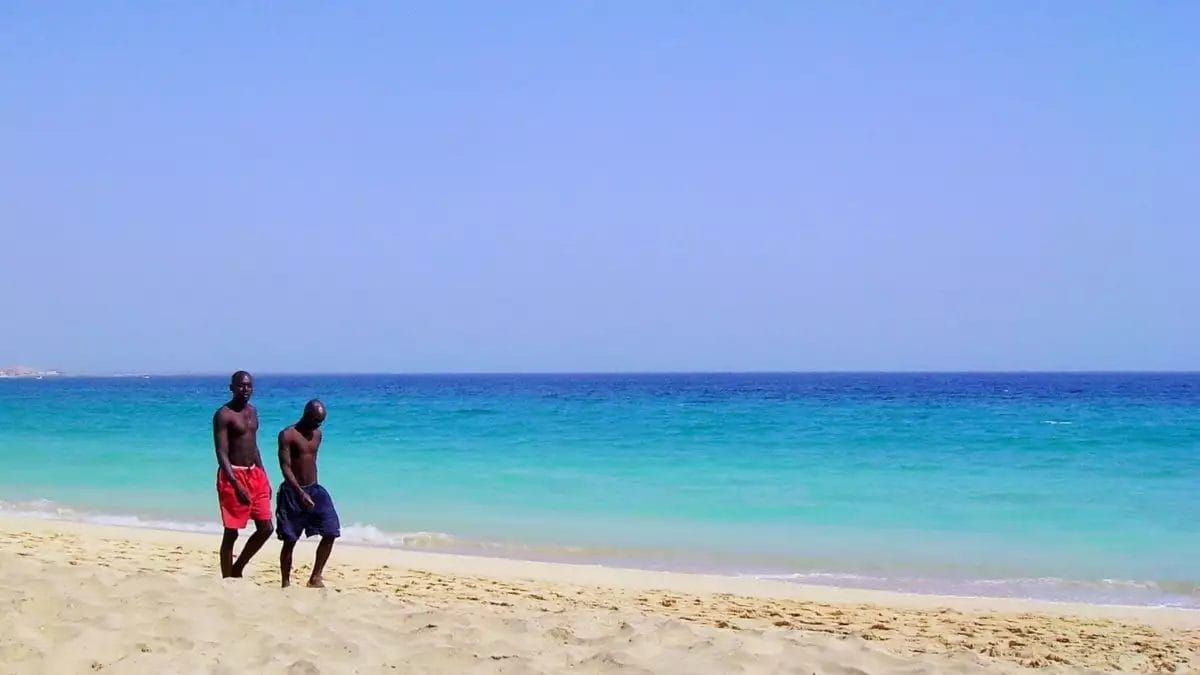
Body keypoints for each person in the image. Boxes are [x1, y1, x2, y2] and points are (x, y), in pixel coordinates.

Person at [212, 370, 274, 578]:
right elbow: (221, 452)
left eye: (248, 385)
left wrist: (264, 476)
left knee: (266, 528)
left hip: (254, 474)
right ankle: (227, 577)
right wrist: (236, 484)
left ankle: (238, 567)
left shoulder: (253, 412)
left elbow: (253, 447)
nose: (245, 389)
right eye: (240, 385)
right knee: (231, 532)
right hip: (233, 475)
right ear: (232, 388)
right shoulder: (224, 414)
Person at [276, 399, 341, 588]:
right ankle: (285, 582)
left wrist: (311, 492)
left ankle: (315, 577)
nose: (317, 425)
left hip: (314, 489)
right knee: (289, 540)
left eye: (320, 422)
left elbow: (311, 462)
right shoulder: (287, 435)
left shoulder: (317, 435)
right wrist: (299, 493)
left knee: (331, 531)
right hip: (292, 492)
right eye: (315, 420)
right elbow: (285, 467)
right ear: (305, 414)